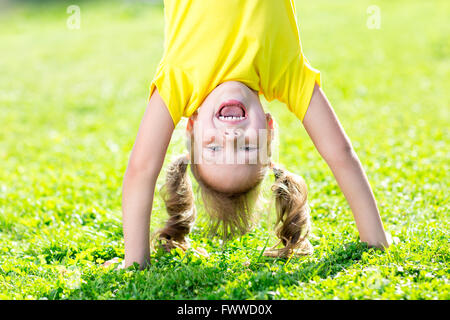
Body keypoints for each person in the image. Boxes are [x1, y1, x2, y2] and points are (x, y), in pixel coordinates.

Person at [115, 0, 389, 269]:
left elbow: (142, 168)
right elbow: (340, 153)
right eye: (248, 148)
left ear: (192, 127)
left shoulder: (179, 82)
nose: (231, 138)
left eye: (213, 149)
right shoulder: (285, 72)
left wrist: (135, 262)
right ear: (268, 131)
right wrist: (375, 238)